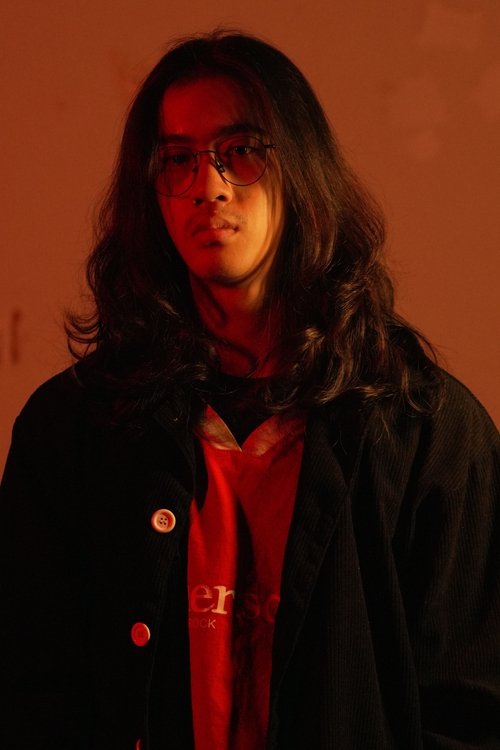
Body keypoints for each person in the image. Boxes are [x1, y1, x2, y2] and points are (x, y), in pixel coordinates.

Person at [0, 29, 498, 750]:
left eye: (240, 151)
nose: (209, 187)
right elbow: (32, 692)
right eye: (178, 159)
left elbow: (471, 709)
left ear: (300, 169)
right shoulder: (75, 427)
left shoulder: (426, 428)